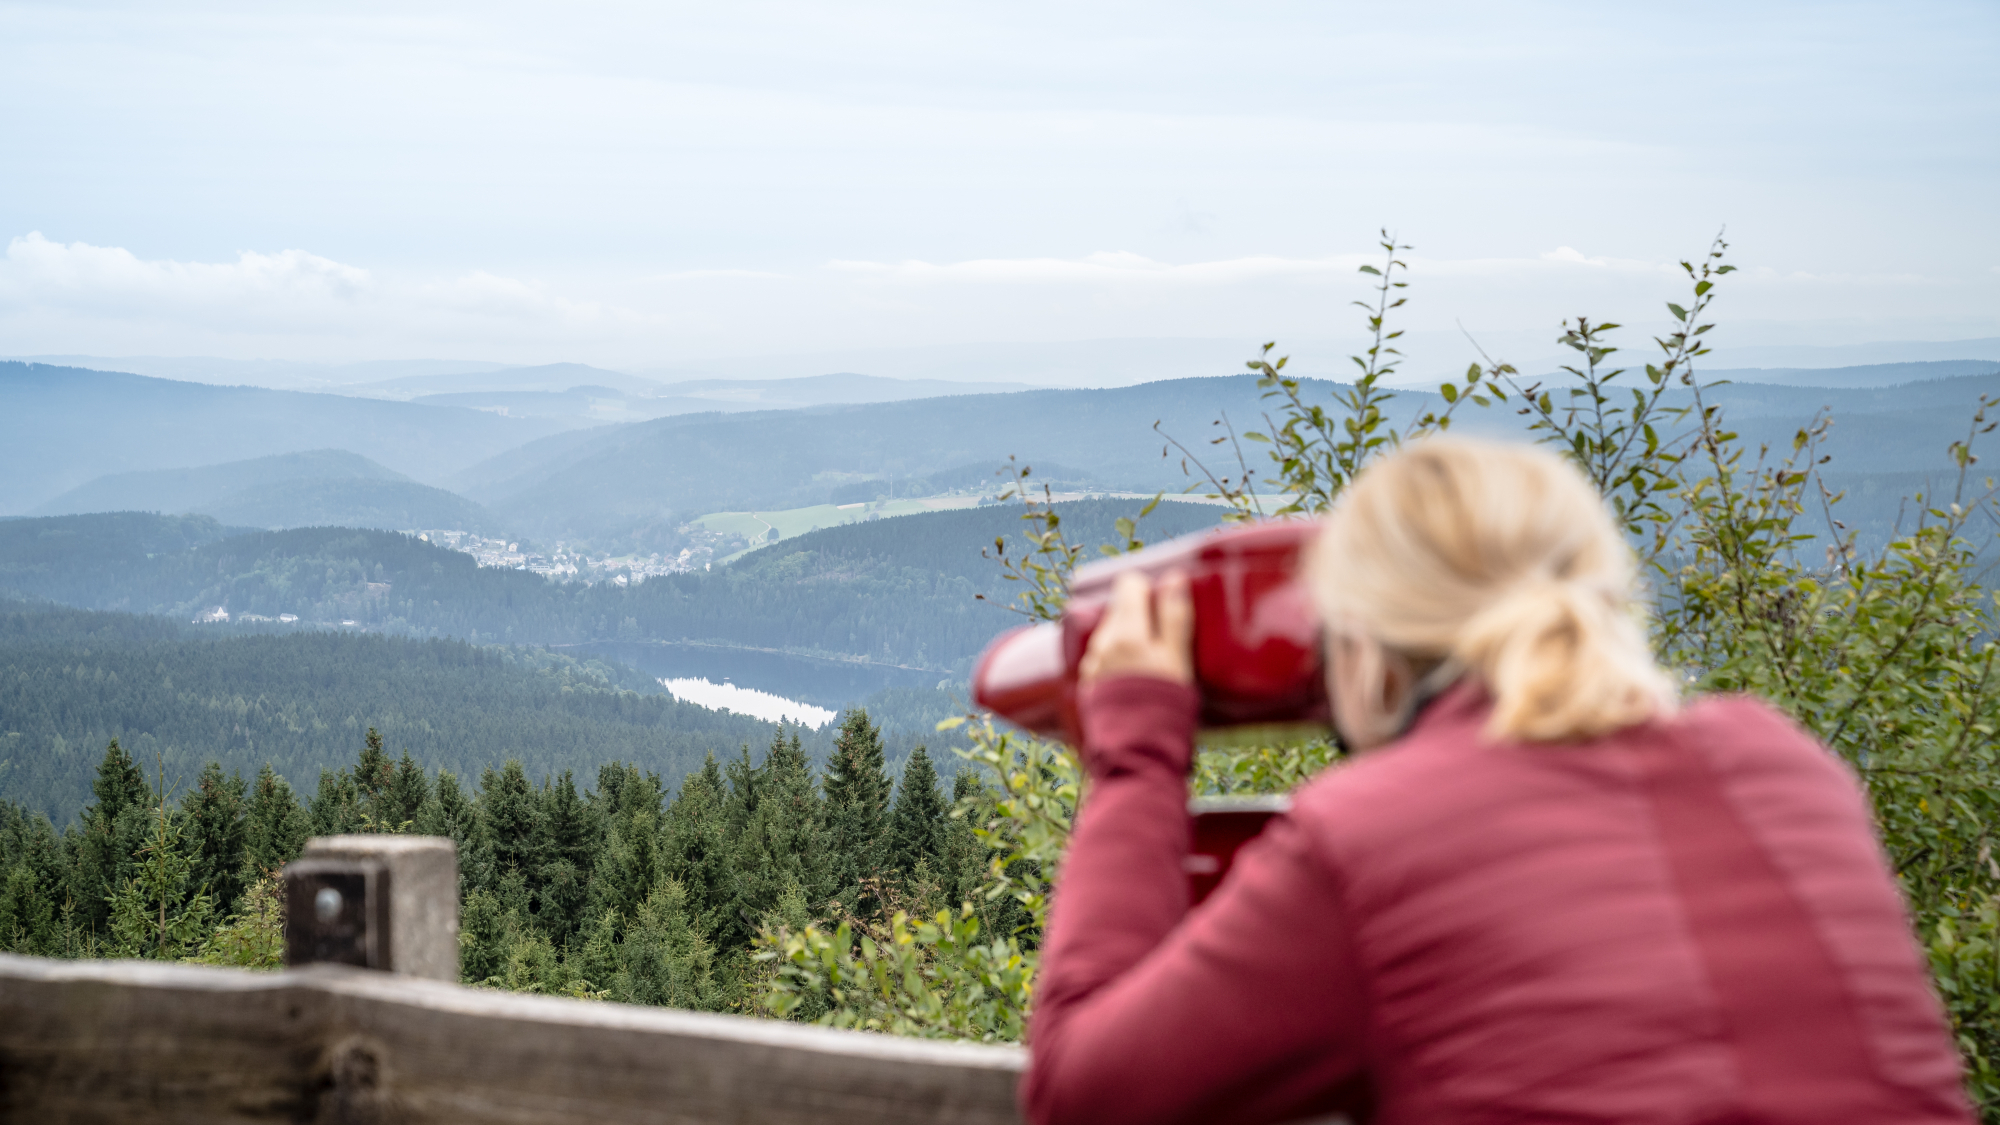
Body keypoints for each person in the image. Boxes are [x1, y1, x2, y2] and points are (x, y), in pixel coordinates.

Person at [1021, 437, 1970, 1125]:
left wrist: (1138, 750)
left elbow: (1085, 1093)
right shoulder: (1783, 762)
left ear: (1361, 646)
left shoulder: (1369, 835)